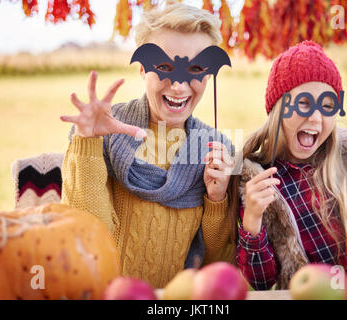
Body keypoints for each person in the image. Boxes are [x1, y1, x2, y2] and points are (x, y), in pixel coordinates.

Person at [59, 3, 236, 289]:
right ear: (142, 68)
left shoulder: (217, 151)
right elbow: (89, 236)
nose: (179, 86)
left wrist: (217, 200)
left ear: (208, 74)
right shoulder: (106, 129)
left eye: (195, 68)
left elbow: (216, 263)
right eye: (164, 67)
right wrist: (87, 143)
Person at [229, 40, 347, 290]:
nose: (315, 117)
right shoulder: (260, 181)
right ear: (278, 109)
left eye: (327, 106)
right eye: (303, 103)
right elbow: (261, 281)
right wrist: (252, 217)